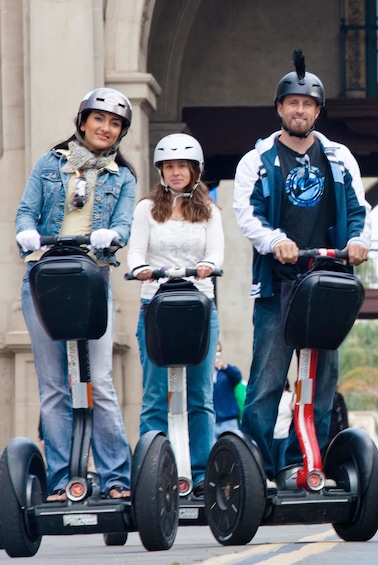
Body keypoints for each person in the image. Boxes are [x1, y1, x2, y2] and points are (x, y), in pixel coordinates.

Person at [233, 50, 371, 481]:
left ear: (317, 110)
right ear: (280, 108)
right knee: (266, 386)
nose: (299, 110)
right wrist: (276, 241)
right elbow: (246, 213)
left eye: (307, 104)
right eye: (292, 103)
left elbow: (359, 209)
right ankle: (255, 470)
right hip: (279, 287)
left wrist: (357, 242)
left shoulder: (338, 157)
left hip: (326, 284)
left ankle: (300, 463)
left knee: (321, 386)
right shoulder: (257, 159)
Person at [15, 87, 137, 501]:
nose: (106, 128)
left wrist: (113, 236)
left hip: (91, 279)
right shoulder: (50, 163)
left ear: (121, 132)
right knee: (53, 387)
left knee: (97, 381)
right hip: (44, 280)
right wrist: (26, 233)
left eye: (115, 123)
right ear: (83, 121)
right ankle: (64, 481)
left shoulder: (123, 177)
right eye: (99, 119)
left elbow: (123, 224)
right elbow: (25, 211)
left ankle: (117, 478)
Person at [128, 132, 222, 494]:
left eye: (182, 165)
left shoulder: (210, 212)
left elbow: (216, 253)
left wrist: (207, 266)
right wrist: (141, 269)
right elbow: (136, 253)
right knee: (154, 395)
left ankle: (200, 474)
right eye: (169, 166)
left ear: (194, 170)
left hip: (198, 307)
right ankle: (154, 474)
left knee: (200, 396)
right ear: (161, 171)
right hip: (156, 304)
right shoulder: (146, 209)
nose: (176, 172)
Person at [213, 341, 244, 438]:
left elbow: (237, 377)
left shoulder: (225, 372)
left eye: (219, 351)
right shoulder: (205, 375)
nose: (216, 354)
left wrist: (224, 366)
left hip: (229, 421)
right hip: (212, 421)